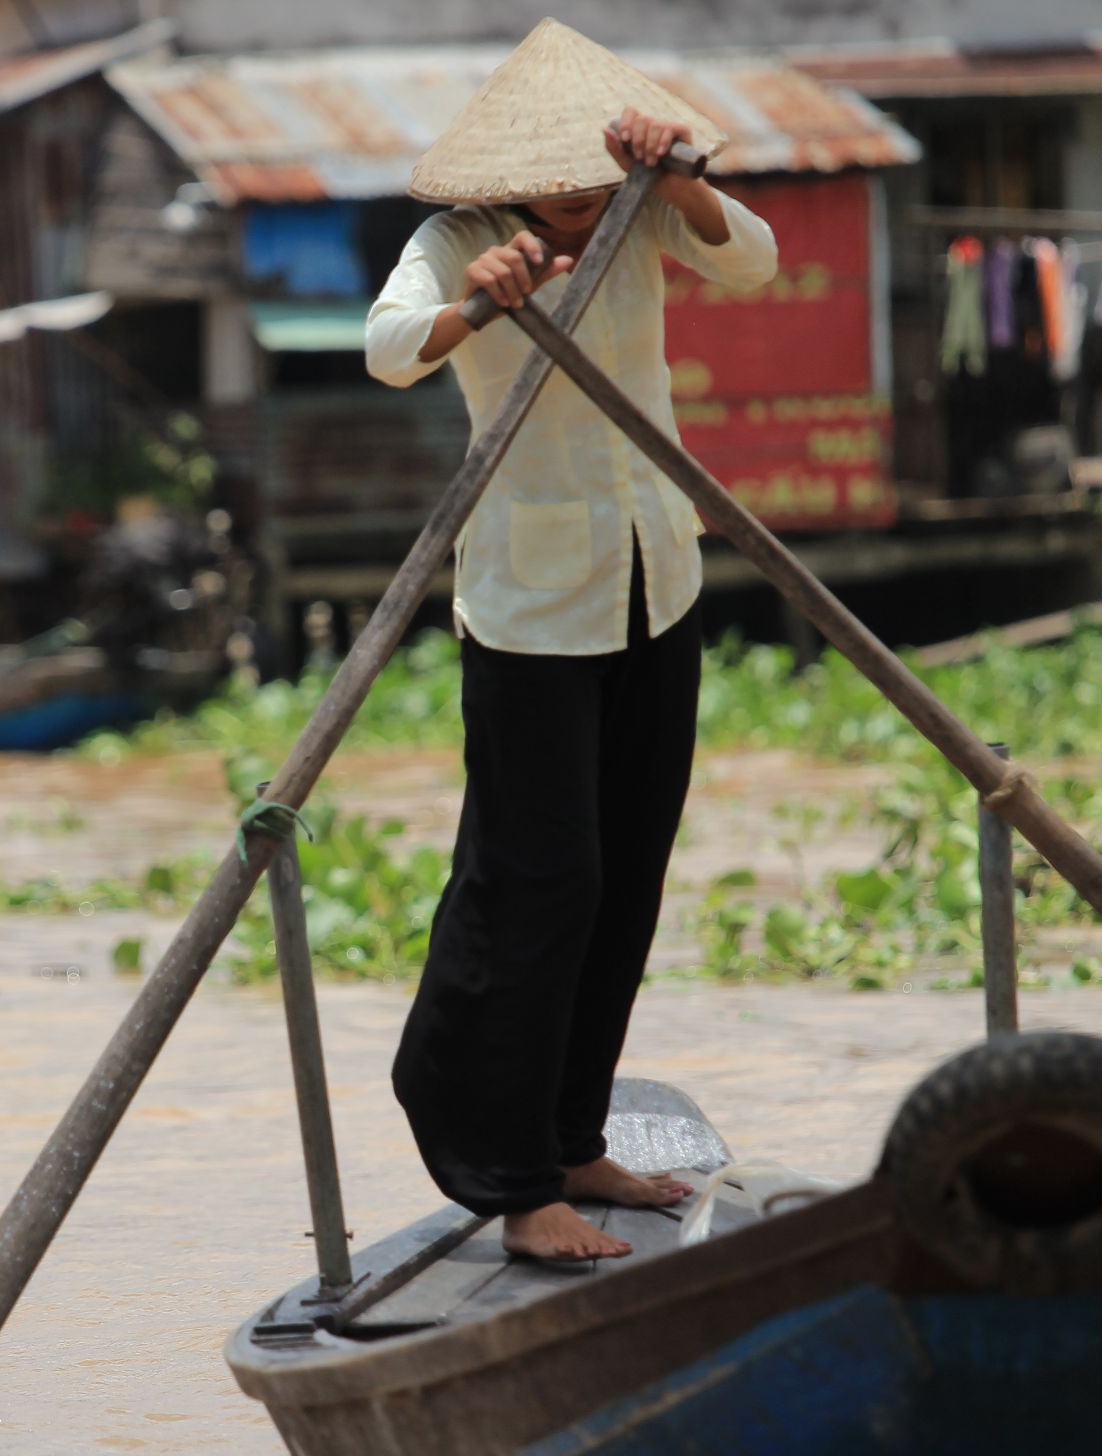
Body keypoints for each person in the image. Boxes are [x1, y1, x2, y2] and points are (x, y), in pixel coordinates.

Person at [364, 20, 780, 1264]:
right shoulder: (453, 244)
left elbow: (751, 264)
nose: (585, 208)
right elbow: (388, 350)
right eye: (566, 190)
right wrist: (474, 311)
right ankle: (512, 1180)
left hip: (655, 575)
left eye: (601, 184)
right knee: (540, 883)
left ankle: (574, 1133)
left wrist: (684, 180)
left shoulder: (646, 211)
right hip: (532, 607)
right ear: (512, 181)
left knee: (629, 869)